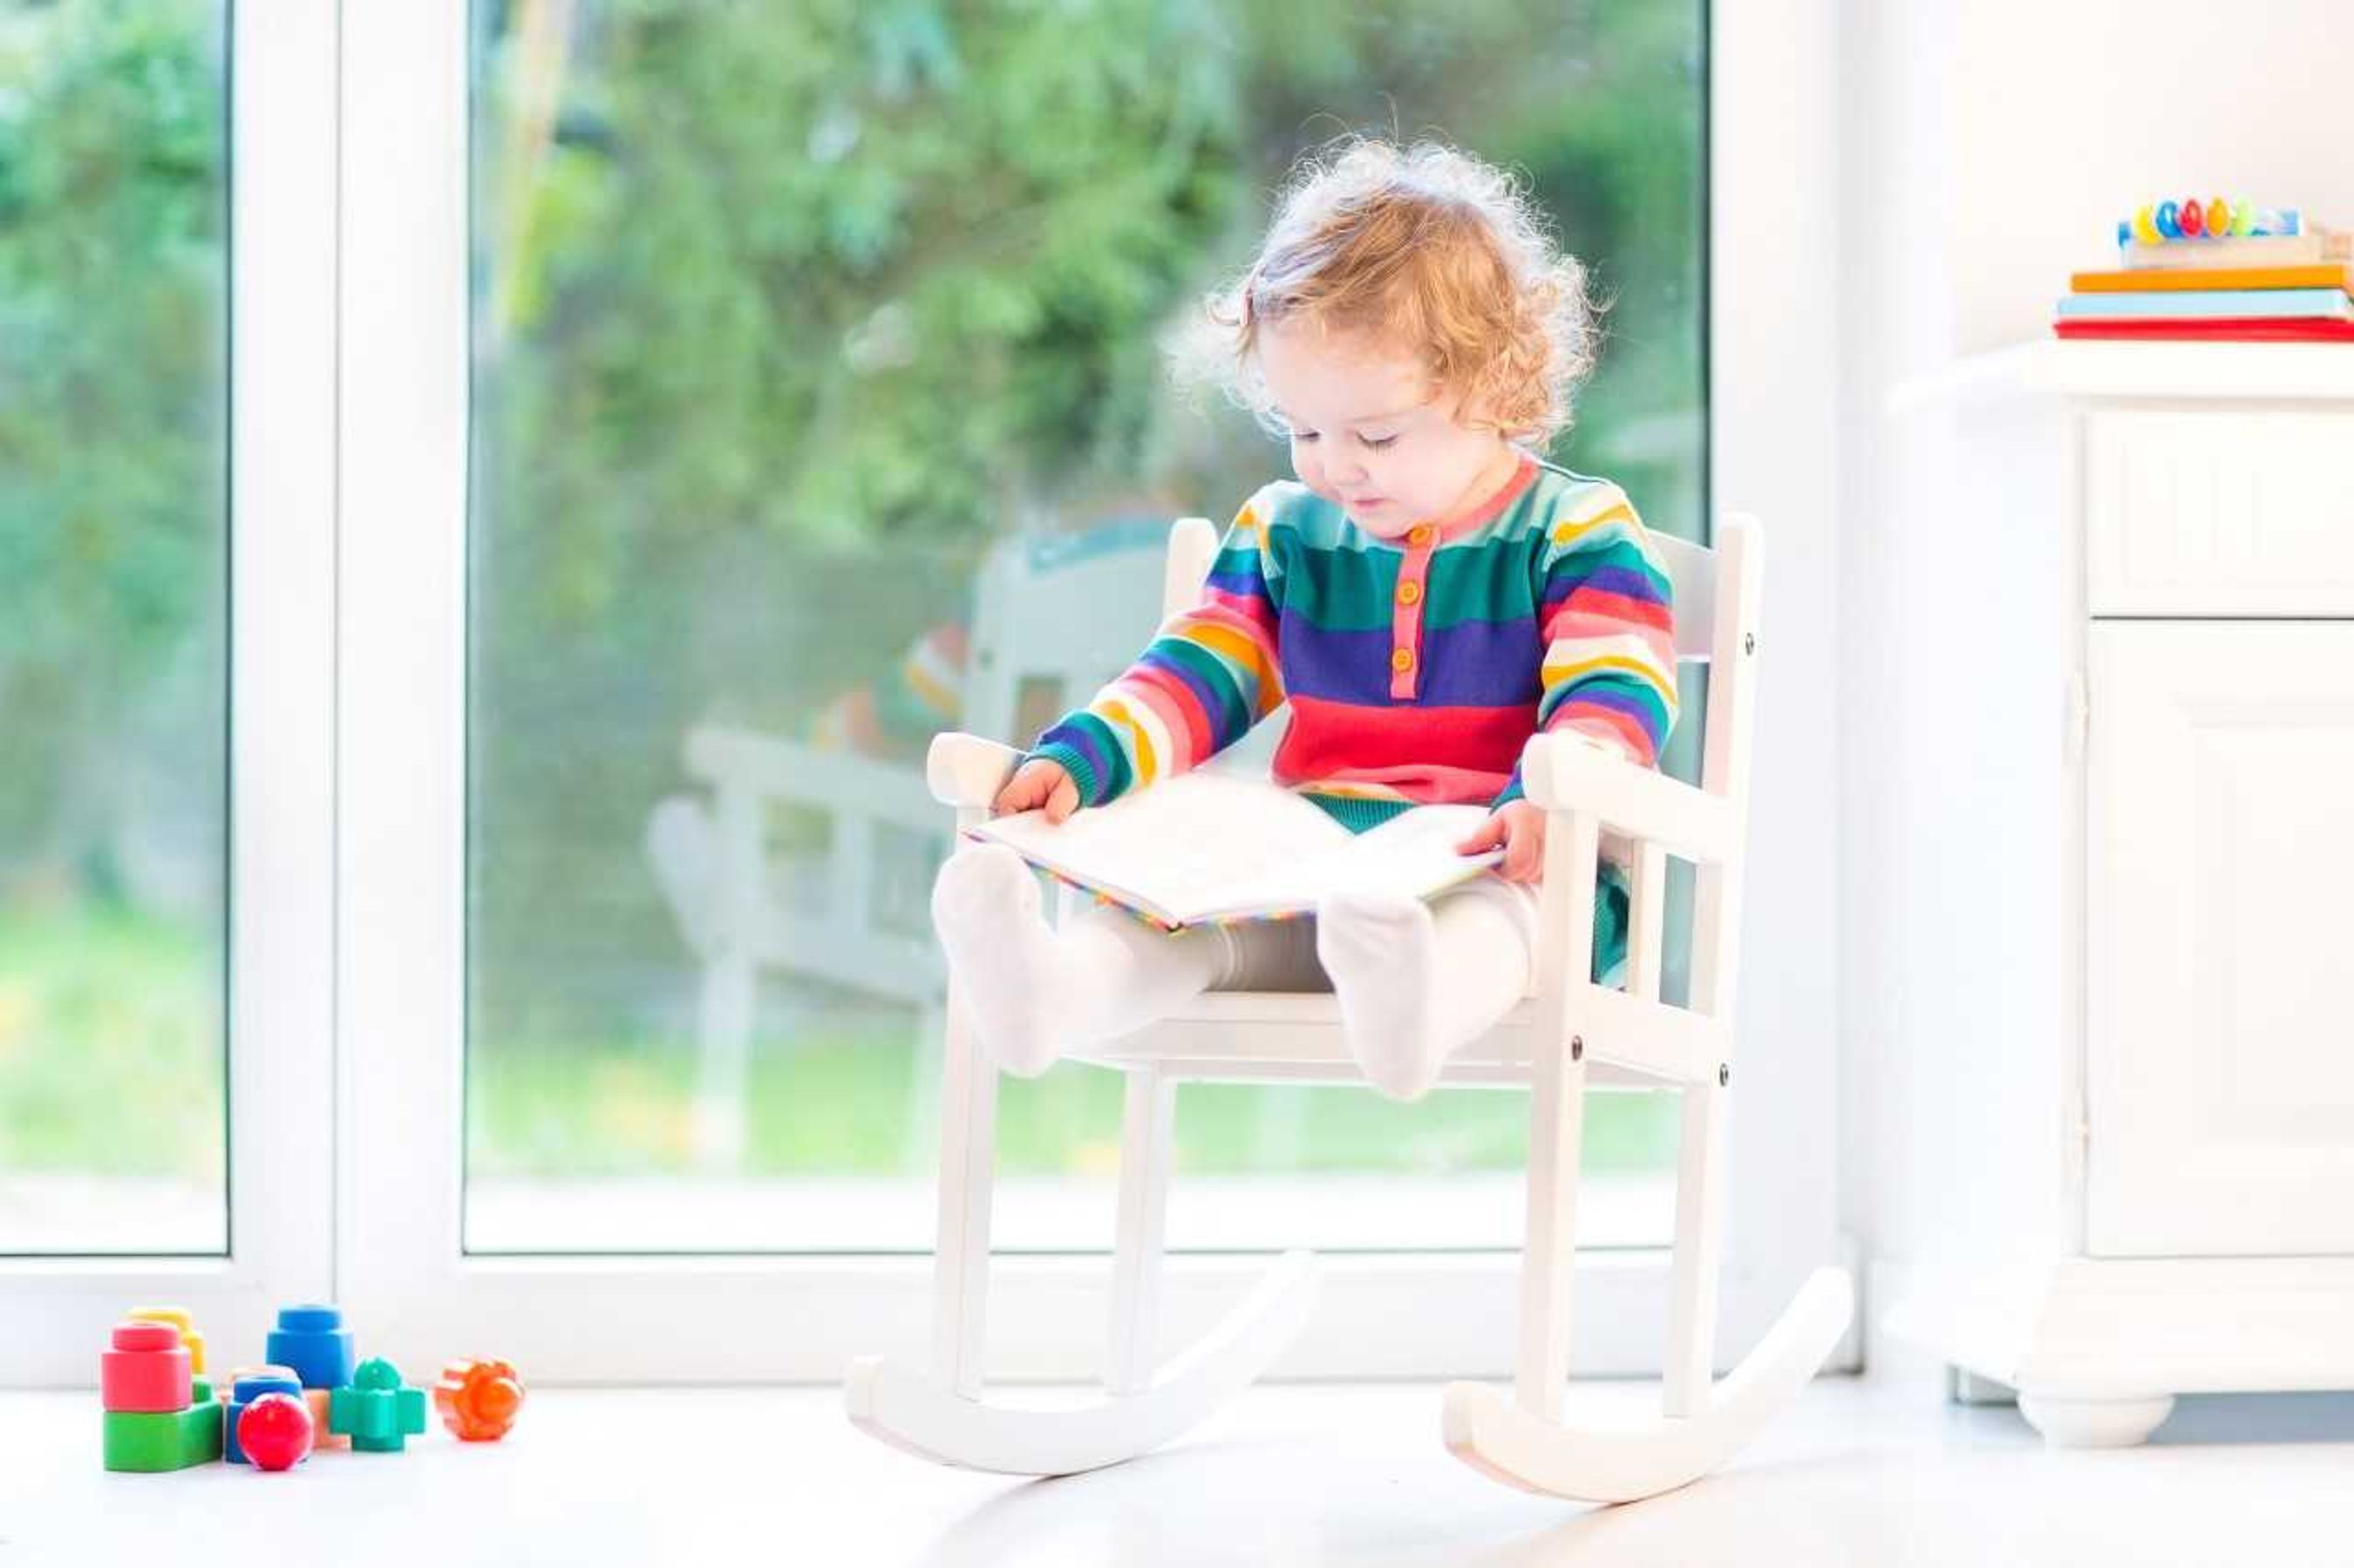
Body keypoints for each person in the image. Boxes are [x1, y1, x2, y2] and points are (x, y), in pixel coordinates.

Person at [930, 138, 1679, 1102]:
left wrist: (1558, 788)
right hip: (1315, 863)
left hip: (1498, 848)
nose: (1336, 465)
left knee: (1516, 910)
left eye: (1375, 434)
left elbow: (1614, 690)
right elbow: (1193, 673)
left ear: (1492, 385)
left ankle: (1420, 1004)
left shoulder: (1574, 527)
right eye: (1305, 430)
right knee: (1181, 915)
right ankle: (1052, 993)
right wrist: (1086, 756)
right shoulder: (1290, 533)